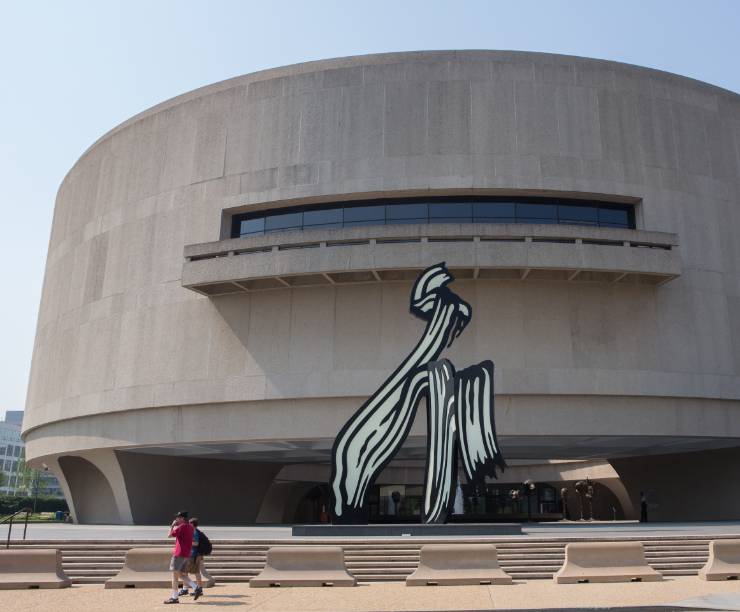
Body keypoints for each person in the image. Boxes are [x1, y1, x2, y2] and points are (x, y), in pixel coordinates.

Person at [164, 510, 199, 604]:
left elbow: (169, 535)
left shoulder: (181, 526)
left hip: (179, 554)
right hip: (186, 554)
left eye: (178, 517)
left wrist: (172, 526)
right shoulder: (190, 527)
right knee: (181, 575)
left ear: (182, 518)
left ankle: (174, 597)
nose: (176, 519)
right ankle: (196, 588)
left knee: (175, 576)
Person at [178, 517, 206, 599]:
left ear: (192, 525)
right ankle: (188, 589)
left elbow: (196, 543)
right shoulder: (194, 531)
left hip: (193, 555)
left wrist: (187, 542)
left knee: (186, 572)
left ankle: (192, 589)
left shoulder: (194, 532)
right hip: (194, 555)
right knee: (189, 572)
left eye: (189, 524)